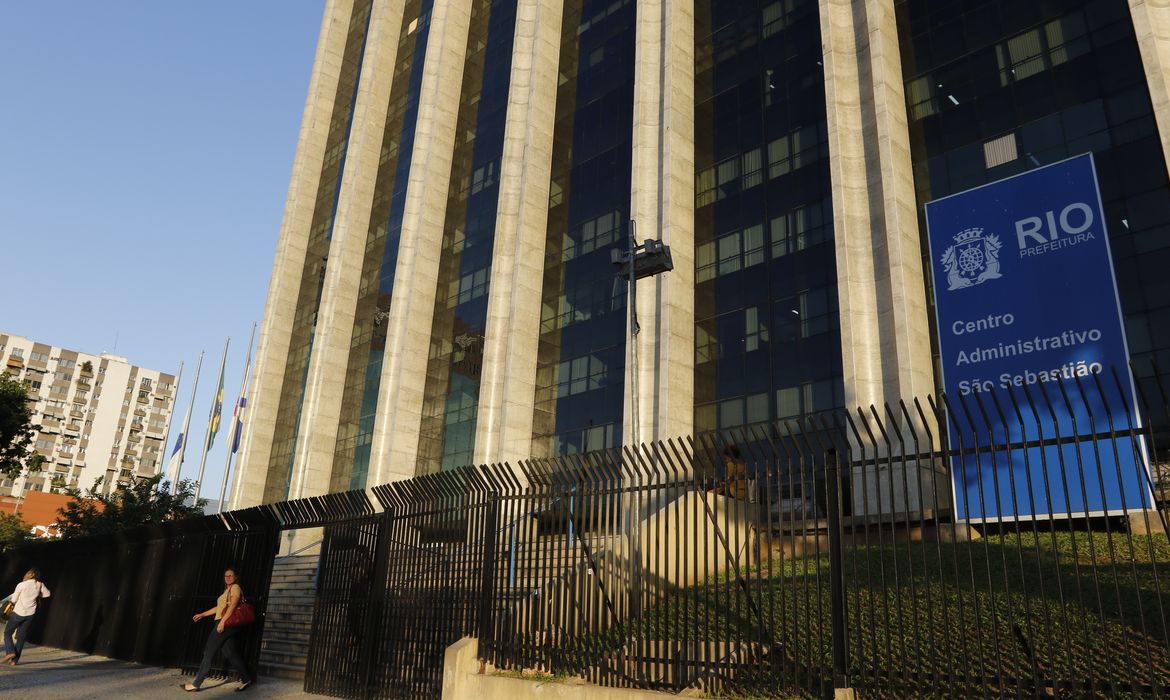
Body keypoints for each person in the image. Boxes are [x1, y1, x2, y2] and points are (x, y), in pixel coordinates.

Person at [182, 567, 255, 692]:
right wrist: (202, 614)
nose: (227, 578)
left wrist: (222, 622)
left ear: (236, 577)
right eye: (226, 576)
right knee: (230, 653)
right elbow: (219, 608)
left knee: (209, 651)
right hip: (226, 623)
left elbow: (233, 605)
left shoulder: (235, 588)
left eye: (230, 575)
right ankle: (247, 678)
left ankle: (197, 683)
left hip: (225, 623)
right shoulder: (226, 590)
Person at [2, 568, 51, 665]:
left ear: (28, 574)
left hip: (18, 613)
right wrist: (38, 595)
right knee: (21, 638)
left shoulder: (22, 585)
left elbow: (14, 599)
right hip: (30, 614)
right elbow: (47, 594)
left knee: (7, 633)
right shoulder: (40, 584)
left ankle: (10, 652)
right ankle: (14, 661)